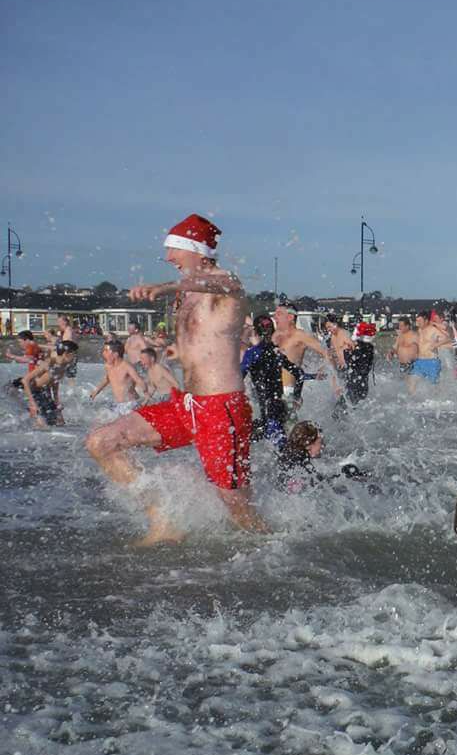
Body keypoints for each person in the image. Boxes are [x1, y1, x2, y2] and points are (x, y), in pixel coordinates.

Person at [85, 213, 269, 543]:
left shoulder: (225, 283)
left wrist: (166, 286)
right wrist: (178, 351)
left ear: (198, 251)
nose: (169, 258)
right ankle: (162, 520)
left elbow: (220, 284)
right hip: (187, 405)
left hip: (222, 408)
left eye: (174, 249)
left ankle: (275, 543)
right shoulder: (186, 294)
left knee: (235, 504)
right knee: (103, 442)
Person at [241, 313, 310, 446]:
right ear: (273, 330)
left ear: (255, 332)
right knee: (278, 442)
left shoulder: (252, 354)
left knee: (260, 444)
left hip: (268, 410)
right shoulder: (276, 352)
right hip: (279, 407)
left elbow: (238, 379)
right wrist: (296, 397)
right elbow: (300, 374)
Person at [273, 302, 340, 408]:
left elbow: (327, 354)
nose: (274, 317)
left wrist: (334, 381)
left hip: (288, 392)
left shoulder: (300, 335)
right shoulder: (273, 336)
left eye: (279, 314)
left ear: (290, 317)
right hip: (270, 391)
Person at [21, 341, 78, 427]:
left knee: (60, 422)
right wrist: (32, 403)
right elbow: (25, 380)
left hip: (44, 391)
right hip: (30, 391)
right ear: (66, 354)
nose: (75, 357)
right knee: (42, 425)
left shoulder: (64, 366)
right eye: (74, 354)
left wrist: (57, 403)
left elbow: (55, 383)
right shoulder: (49, 363)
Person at [89, 340, 146, 419]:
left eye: (106, 351)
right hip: (119, 404)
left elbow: (139, 380)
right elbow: (107, 378)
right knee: (100, 418)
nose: (103, 353)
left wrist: (147, 396)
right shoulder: (108, 366)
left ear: (115, 354)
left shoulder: (126, 366)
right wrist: (96, 391)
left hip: (130, 404)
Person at [390, 317, 420, 391]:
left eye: (401, 326)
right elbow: (395, 347)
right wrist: (391, 353)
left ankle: (415, 396)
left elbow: (421, 348)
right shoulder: (400, 336)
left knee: (412, 385)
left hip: (412, 363)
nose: (399, 327)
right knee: (406, 384)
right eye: (399, 325)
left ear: (407, 326)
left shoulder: (414, 335)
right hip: (402, 364)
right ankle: (410, 396)